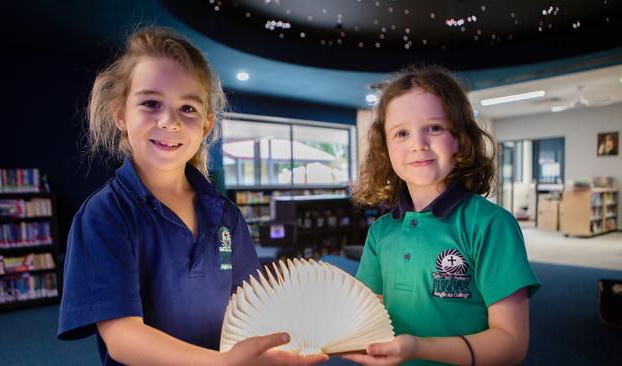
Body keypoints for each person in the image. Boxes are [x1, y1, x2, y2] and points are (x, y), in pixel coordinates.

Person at [57, 26, 327, 366]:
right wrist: (224, 363)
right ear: (120, 114)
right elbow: (123, 339)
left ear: (206, 126)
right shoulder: (103, 215)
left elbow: (248, 304)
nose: (169, 121)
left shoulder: (226, 216)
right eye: (151, 103)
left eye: (187, 108)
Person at [344, 66, 541, 366]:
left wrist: (418, 347)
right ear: (385, 148)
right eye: (401, 133)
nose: (417, 144)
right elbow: (369, 317)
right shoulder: (380, 232)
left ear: (460, 137)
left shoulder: (491, 225)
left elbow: (511, 343)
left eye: (434, 127)